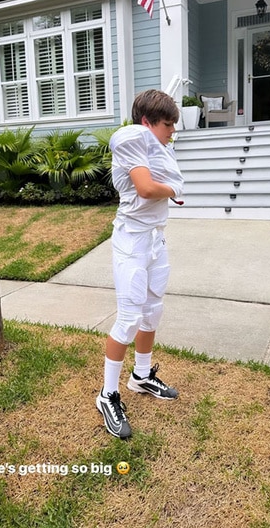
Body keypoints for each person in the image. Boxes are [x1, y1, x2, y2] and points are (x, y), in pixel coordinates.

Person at [96, 89, 184, 438]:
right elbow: (147, 189)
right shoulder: (133, 138)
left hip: (155, 239)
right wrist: (175, 187)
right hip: (131, 240)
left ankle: (141, 376)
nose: (171, 131)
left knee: (153, 311)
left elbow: (156, 185)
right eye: (166, 124)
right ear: (146, 122)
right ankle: (108, 394)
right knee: (130, 316)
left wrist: (171, 187)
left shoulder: (156, 148)